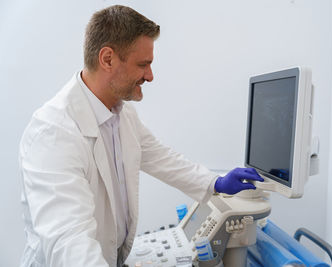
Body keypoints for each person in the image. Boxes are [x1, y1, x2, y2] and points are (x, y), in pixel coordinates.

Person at [19, 5, 264, 267]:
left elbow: (162, 158)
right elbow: (69, 242)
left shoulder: (121, 115)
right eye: (143, 65)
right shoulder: (54, 132)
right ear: (108, 59)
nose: (150, 75)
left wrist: (215, 183)